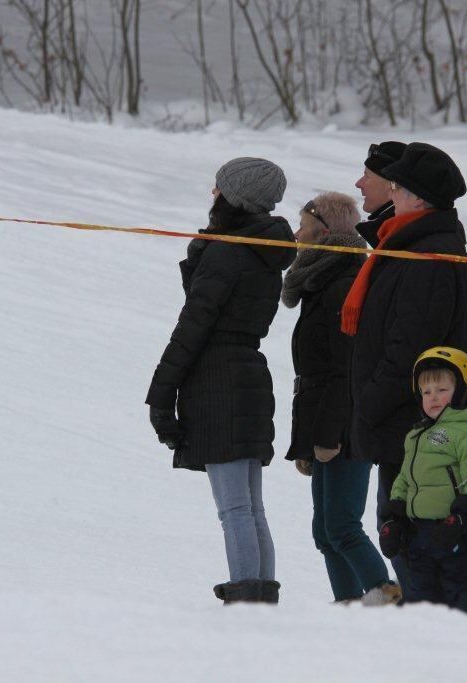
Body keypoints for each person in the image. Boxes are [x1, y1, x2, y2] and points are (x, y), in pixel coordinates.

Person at [146, 158, 294, 604]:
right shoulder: (258, 250)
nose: (213, 194)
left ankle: (248, 598)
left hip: (218, 381)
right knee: (250, 507)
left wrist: (160, 394)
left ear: (236, 197)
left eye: (219, 188)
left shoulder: (228, 252)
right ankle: (259, 592)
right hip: (247, 373)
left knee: (234, 508)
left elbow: (194, 325)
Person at [344, 142, 467, 596]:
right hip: (400, 427)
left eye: (396, 186)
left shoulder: (429, 253)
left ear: (417, 197)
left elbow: (410, 350)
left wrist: (370, 403)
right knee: (403, 541)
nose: (389, 193)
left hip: (413, 427)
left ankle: (439, 648)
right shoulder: (408, 242)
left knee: (416, 549)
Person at [283, 191, 396, 605]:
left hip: (345, 424)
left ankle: (385, 595)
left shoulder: (343, 283)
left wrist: (328, 435)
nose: (296, 233)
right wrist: (309, 438)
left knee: (343, 526)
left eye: (303, 224)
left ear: (324, 230)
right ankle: (349, 609)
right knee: (325, 531)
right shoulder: (323, 279)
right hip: (325, 420)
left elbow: (343, 369)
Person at [381, 347, 467, 613]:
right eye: (426, 392)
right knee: (425, 601)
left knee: (463, 593)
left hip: (456, 530)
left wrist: (462, 517)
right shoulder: (416, 436)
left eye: (441, 390)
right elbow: (405, 478)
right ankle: (435, 651)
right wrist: (395, 517)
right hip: (418, 535)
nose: (432, 398)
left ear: (463, 390)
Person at [354, 141, 406, 247]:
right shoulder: (395, 236)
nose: (358, 184)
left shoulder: (401, 241)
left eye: (367, 176)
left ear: (393, 186)